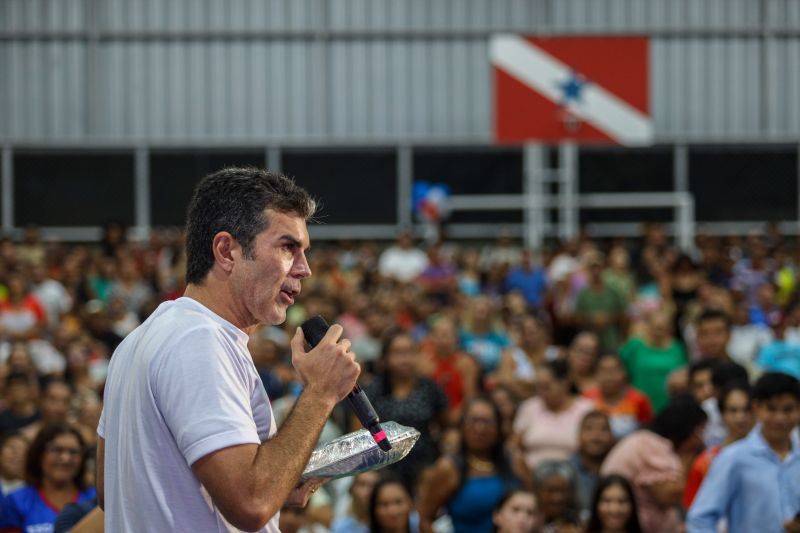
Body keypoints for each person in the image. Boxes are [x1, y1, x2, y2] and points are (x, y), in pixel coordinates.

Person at [97, 168, 361, 532]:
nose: (305, 269)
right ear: (226, 251)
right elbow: (251, 504)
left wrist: (279, 479)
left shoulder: (138, 340)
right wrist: (320, 392)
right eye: (288, 247)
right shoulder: (199, 342)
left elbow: (109, 489)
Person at [686, 373, 800, 533]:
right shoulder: (734, 458)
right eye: (771, 409)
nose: (780, 418)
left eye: (788, 410)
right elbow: (700, 519)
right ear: (756, 408)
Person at [600, 394, 707, 533]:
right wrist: (687, 458)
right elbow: (669, 496)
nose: (700, 439)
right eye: (699, 431)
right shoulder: (651, 445)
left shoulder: (648, 440)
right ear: (685, 428)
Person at [417, 396, 522, 533]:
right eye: (473, 420)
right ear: (462, 426)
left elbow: (537, 506)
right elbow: (424, 519)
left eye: (487, 422)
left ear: (498, 426)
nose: (479, 428)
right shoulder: (449, 467)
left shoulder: (514, 460)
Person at [362, 329, 449, 492]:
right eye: (398, 353)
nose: (405, 359)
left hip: (425, 465)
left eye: (410, 352)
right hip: (384, 466)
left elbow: (446, 425)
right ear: (385, 358)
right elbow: (359, 434)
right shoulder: (373, 390)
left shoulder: (429, 387)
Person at [0, 423, 95, 531]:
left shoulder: (96, 499)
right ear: (39, 454)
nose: (65, 458)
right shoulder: (16, 501)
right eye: (56, 450)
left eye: (73, 452)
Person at [512, 359, 595, 470]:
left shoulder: (586, 409)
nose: (541, 392)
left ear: (565, 383)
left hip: (574, 472)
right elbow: (514, 445)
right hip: (531, 472)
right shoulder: (529, 407)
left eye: (546, 387)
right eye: (538, 387)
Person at [682, 382, 754, 508]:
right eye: (733, 411)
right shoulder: (705, 463)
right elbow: (692, 508)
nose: (740, 417)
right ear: (721, 414)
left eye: (746, 410)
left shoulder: (773, 457)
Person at [619, 310, 687, 412]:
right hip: (638, 404)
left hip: (669, 405)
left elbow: (683, 373)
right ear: (648, 326)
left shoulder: (677, 348)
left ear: (670, 329)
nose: (659, 331)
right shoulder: (635, 346)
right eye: (656, 327)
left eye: (663, 327)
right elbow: (618, 365)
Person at [583, 354, 653, 439]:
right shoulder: (587, 399)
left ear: (624, 372)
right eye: (603, 371)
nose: (609, 376)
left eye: (614, 370)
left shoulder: (639, 400)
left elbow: (646, 432)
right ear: (595, 374)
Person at [567, 411, 615, 518]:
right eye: (589, 429)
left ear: (612, 436)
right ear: (578, 435)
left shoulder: (619, 468)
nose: (596, 436)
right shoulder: (566, 471)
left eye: (603, 429)